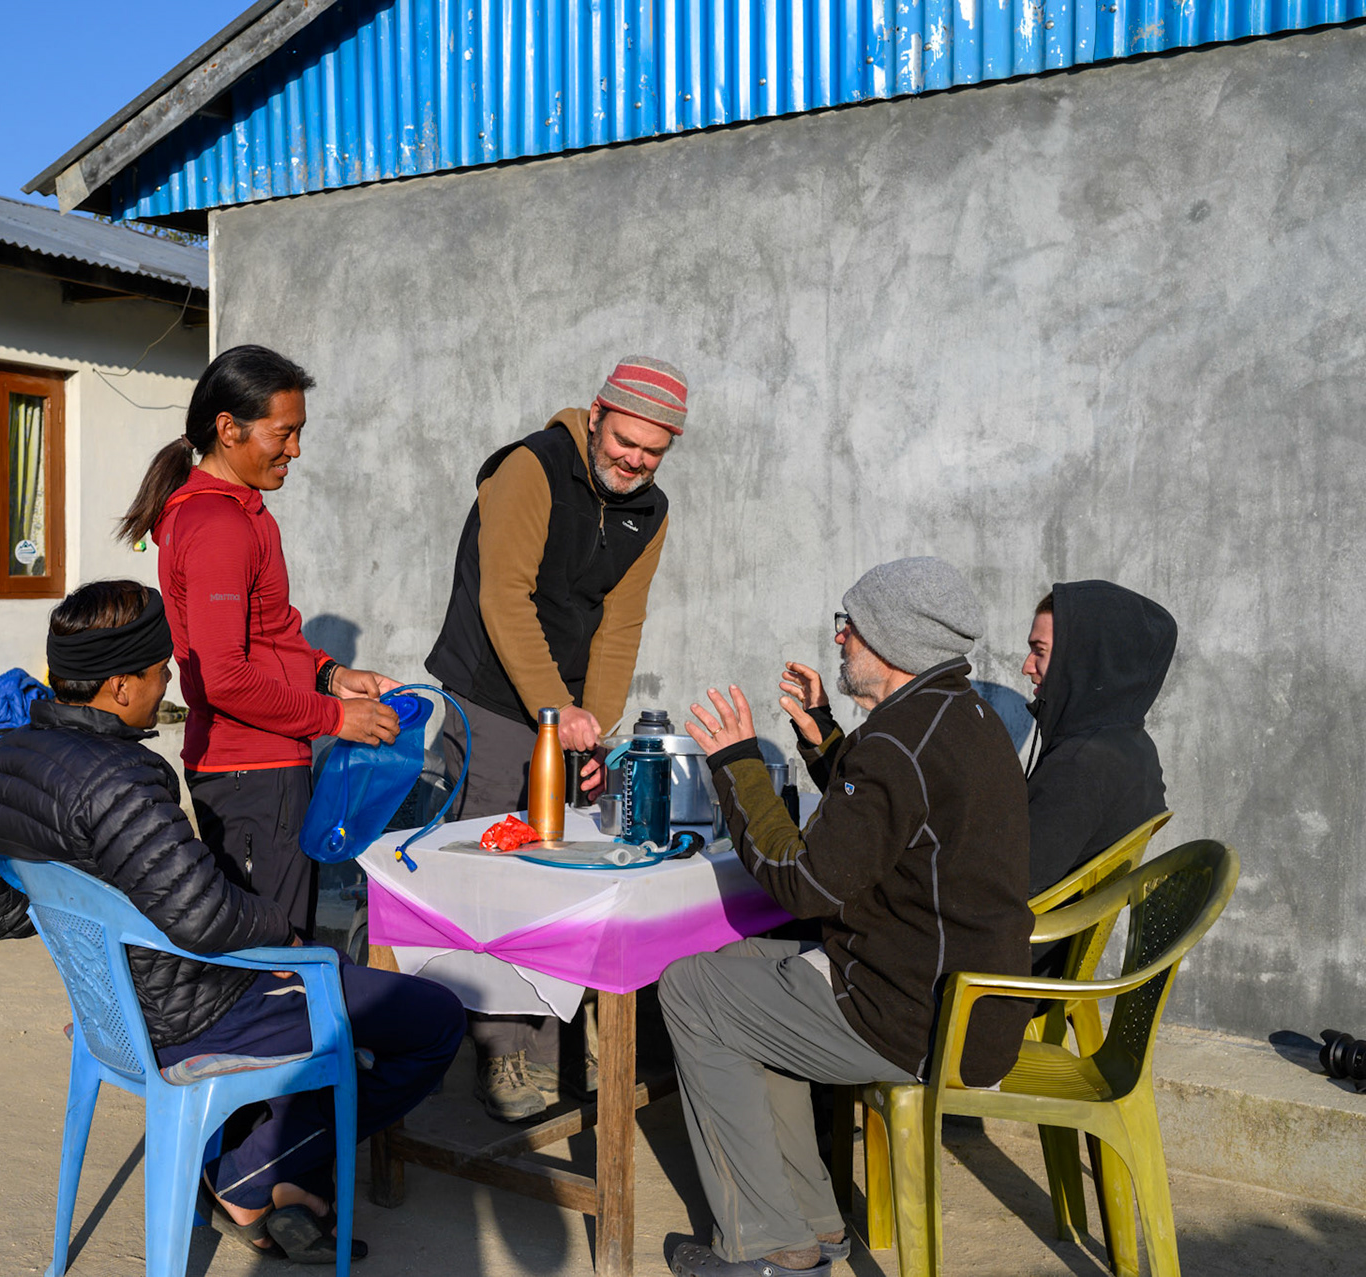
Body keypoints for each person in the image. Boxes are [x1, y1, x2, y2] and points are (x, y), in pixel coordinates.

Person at [0, 580, 464, 1264]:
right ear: (117, 686)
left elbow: (2, 913)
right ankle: (248, 1175)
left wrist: (102, 959)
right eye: (157, 667)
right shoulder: (123, 778)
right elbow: (204, 917)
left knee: (334, 984)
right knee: (432, 1020)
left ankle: (262, 1165)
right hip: (192, 1012)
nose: (169, 676)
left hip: (115, 1007)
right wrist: (287, 935)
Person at [667, 557, 1033, 1277]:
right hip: (951, 998)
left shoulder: (900, 741)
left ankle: (766, 1246)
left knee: (689, 989)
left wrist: (737, 761)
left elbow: (803, 883)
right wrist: (826, 737)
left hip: (911, 1016)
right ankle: (813, 1224)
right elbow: (889, 820)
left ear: (892, 641)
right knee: (736, 971)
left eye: (851, 627)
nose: (839, 641)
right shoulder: (957, 715)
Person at [423, 355, 687, 1122]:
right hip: (493, 696)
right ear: (598, 412)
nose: (633, 459)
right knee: (496, 871)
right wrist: (551, 709)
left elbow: (620, 621)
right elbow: (505, 596)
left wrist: (592, 726)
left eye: (652, 449)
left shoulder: (651, 508)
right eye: (625, 440)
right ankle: (503, 1047)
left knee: (565, 873)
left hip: (563, 709)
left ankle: (559, 1037)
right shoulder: (530, 469)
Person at [116, 345, 401, 941]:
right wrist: (333, 716)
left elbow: (264, 637)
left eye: (299, 432)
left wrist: (330, 675)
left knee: (270, 938)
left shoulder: (236, 512)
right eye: (284, 432)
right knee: (273, 948)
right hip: (252, 770)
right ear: (229, 430)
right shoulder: (218, 526)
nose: (295, 449)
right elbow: (225, 676)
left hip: (260, 764)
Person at [1022, 580, 1177, 898]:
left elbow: (1008, 889)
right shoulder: (1133, 747)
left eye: (1039, 651)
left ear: (1083, 658)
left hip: (1030, 943)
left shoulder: (1080, 765)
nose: (1026, 667)